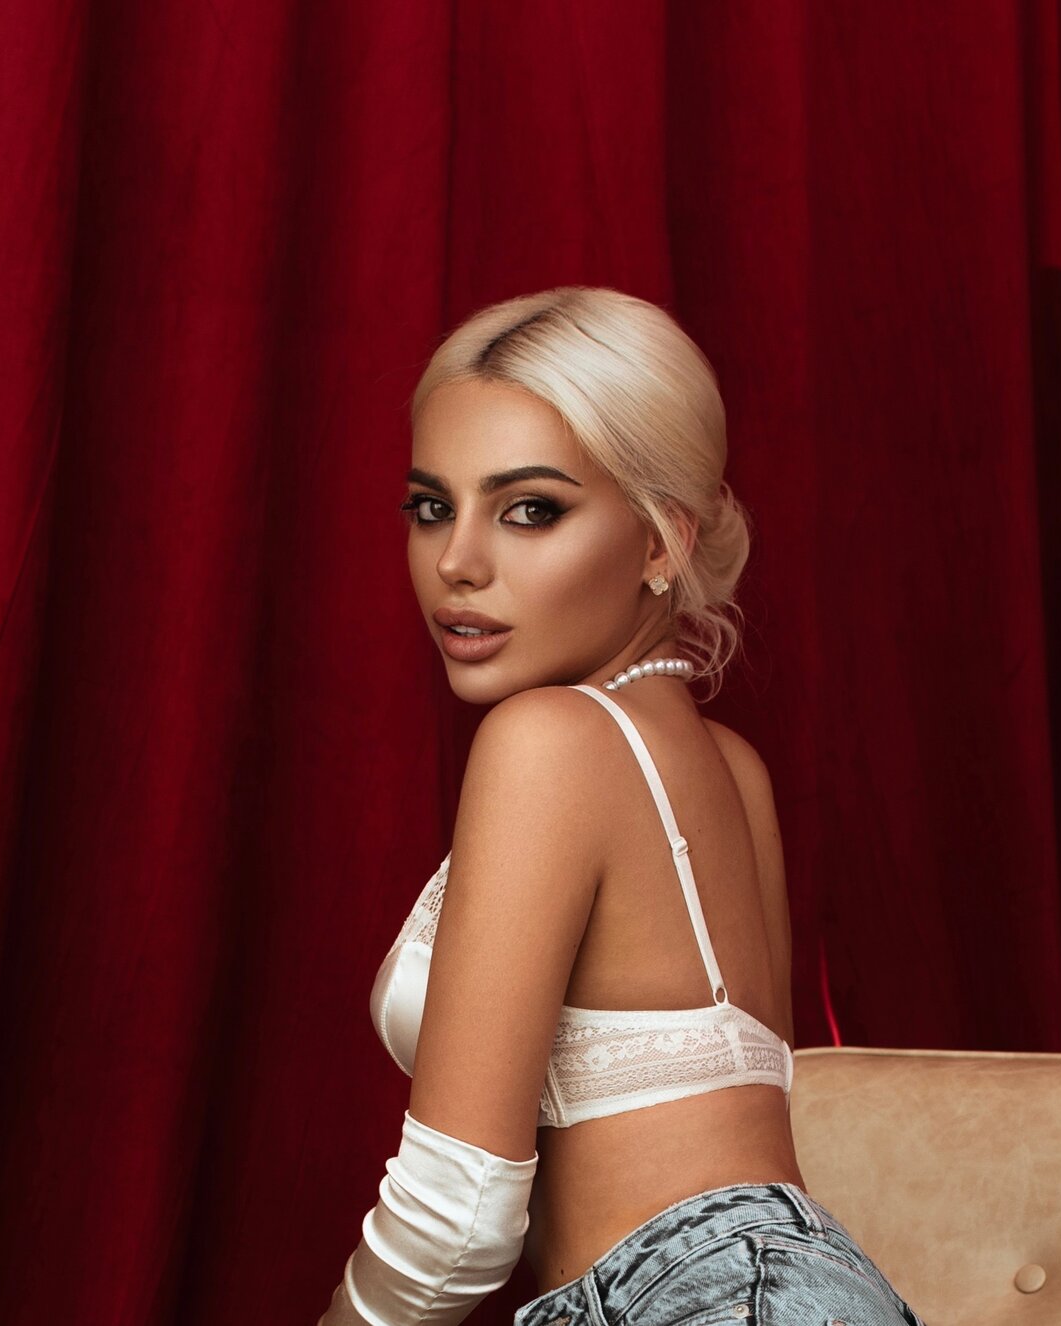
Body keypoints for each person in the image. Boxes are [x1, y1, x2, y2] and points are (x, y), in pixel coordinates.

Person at [322, 286, 922, 1326]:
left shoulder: (548, 741)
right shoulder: (731, 773)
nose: (457, 562)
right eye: (432, 507)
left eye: (529, 510)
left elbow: (454, 1221)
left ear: (660, 542)